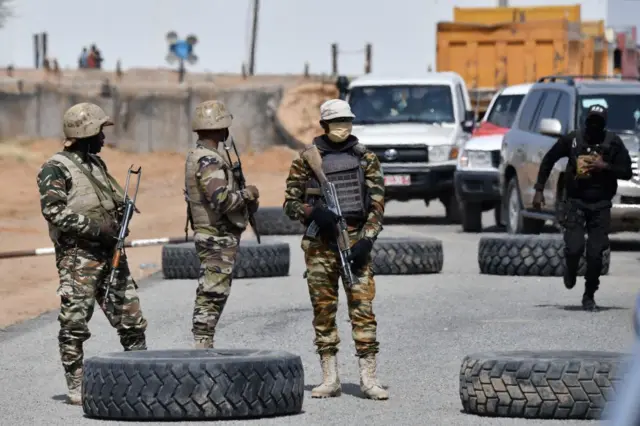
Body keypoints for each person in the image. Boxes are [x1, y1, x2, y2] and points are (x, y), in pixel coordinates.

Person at [37, 103, 148, 405]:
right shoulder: (55, 168)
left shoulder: (97, 165)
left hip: (110, 253)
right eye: (100, 131)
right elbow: (54, 212)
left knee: (131, 319)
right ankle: (77, 383)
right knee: (75, 322)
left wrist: (121, 213)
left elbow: (112, 200)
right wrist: (97, 229)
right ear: (85, 132)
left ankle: (141, 377)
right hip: (79, 257)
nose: (103, 138)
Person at [283, 99, 388, 400]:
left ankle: (369, 378)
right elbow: (289, 203)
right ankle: (330, 377)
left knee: (363, 308)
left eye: (346, 120)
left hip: (355, 239)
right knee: (323, 311)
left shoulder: (366, 158)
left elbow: (377, 205)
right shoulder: (306, 160)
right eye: (336, 121)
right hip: (320, 245)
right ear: (324, 125)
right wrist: (313, 213)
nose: (342, 126)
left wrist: (367, 239)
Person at [532, 104, 633, 311]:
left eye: (598, 122)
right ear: (586, 121)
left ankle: (589, 295)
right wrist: (539, 189)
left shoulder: (613, 142)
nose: (593, 126)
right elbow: (549, 159)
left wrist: (605, 167)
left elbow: (627, 172)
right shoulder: (573, 139)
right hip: (576, 202)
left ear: (604, 125)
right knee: (574, 248)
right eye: (591, 121)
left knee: (596, 254)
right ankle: (570, 269)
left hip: (601, 205)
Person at [184, 100, 260, 349]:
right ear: (220, 128)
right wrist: (247, 194)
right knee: (212, 293)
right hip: (216, 236)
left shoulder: (203, 156)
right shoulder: (209, 160)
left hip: (214, 234)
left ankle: (204, 341)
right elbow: (222, 201)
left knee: (214, 292)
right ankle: (202, 344)